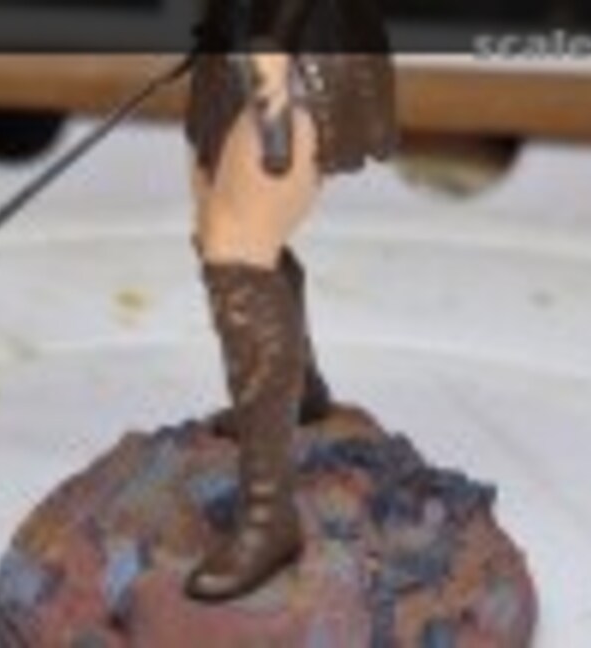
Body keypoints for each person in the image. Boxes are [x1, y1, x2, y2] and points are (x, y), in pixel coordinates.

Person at [183, 0, 398, 602]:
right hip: (235, 43)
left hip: (296, 46)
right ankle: (298, 388)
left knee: (237, 251)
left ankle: (268, 514)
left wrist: (275, 42)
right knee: (218, 224)